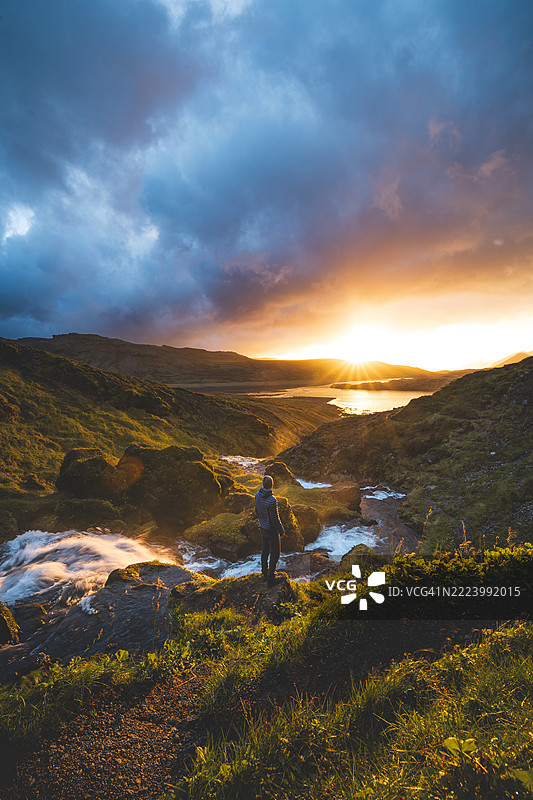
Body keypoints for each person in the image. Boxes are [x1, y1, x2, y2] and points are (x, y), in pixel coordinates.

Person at [255, 474, 285, 586]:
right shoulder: (272, 500)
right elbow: (275, 518)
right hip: (271, 529)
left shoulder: (257, 495)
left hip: (262, 526)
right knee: (275, 552)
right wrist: (281, 530)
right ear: (272, 485)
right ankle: (271, 578)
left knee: (265, 549)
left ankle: (264, 572)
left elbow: (256, 510)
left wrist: (262, 521)